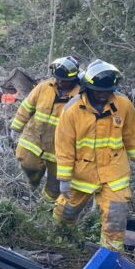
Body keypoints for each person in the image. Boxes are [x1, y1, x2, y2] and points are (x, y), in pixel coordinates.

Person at [53, 60, 135, 251]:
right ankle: (58, 243)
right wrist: (64, 178)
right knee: (66, 213)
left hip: (113, 173)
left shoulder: (123, 105)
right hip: (81, 173)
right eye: (99, 91)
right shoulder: (72, 110)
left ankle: (109, 258)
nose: (104, 96)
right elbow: (64, 146)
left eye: (107, 91)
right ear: (87, 88)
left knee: (115, 218)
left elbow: (130, 135)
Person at [9, 57, 81, 202]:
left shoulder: (80, 96)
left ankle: (45, 206)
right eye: (58, 79)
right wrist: (16, 128)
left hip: (59, 149)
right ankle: (32, 186)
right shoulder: (44, 87)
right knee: (27, 165)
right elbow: (26, 107)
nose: (60, 82)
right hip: (34, 138)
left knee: (55, 185)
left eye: (64, 80)